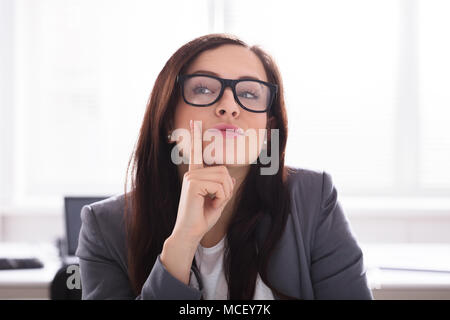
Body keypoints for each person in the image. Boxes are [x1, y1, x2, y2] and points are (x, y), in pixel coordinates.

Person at [76, 33, 373, 300]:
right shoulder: (105, 227)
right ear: (168, 118)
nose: (229, 106)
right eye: (204, 89)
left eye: (248, 94)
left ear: (267, 128)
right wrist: (181, 243)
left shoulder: (313, 198)